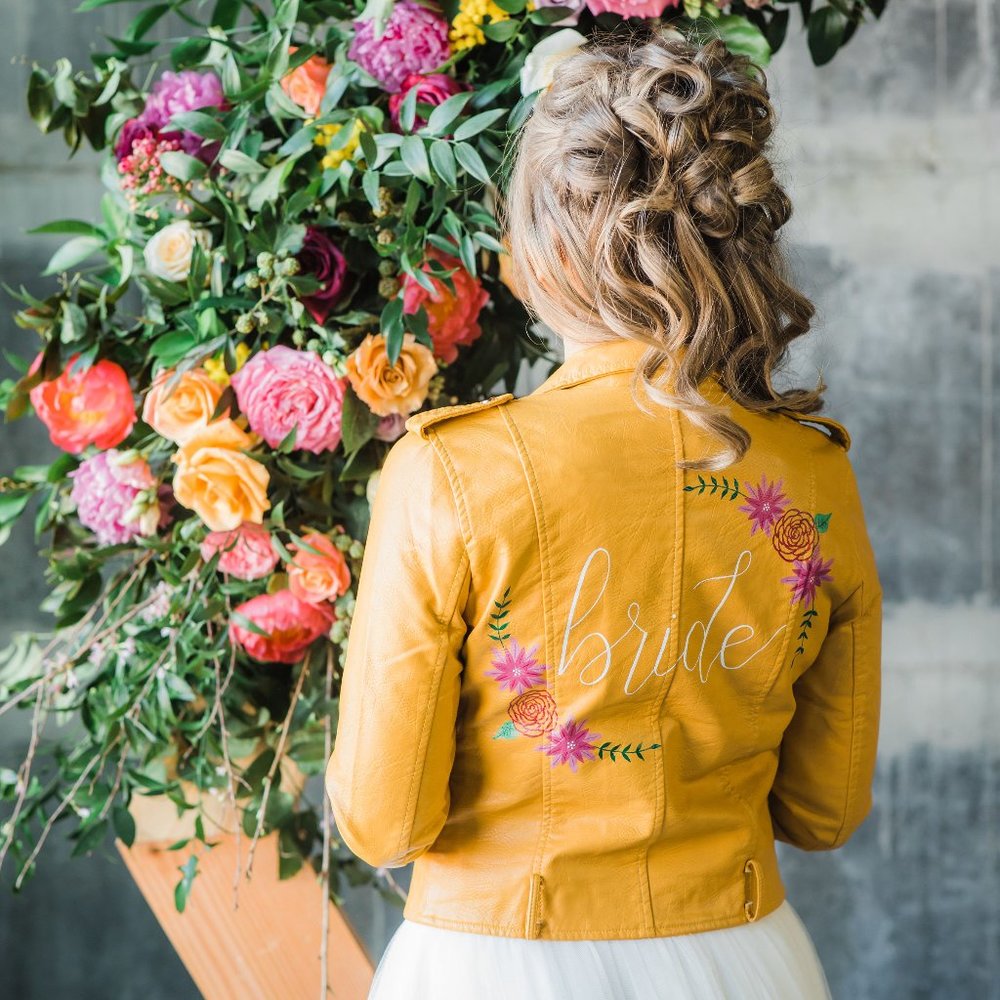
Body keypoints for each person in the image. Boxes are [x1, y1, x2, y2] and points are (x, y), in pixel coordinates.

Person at [325, 26, 883, 1000]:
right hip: (739, 959)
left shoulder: (449, 471)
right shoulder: (810, 482)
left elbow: (383, 822)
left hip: (492, 963)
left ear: (537, 249)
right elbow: (823, 810)